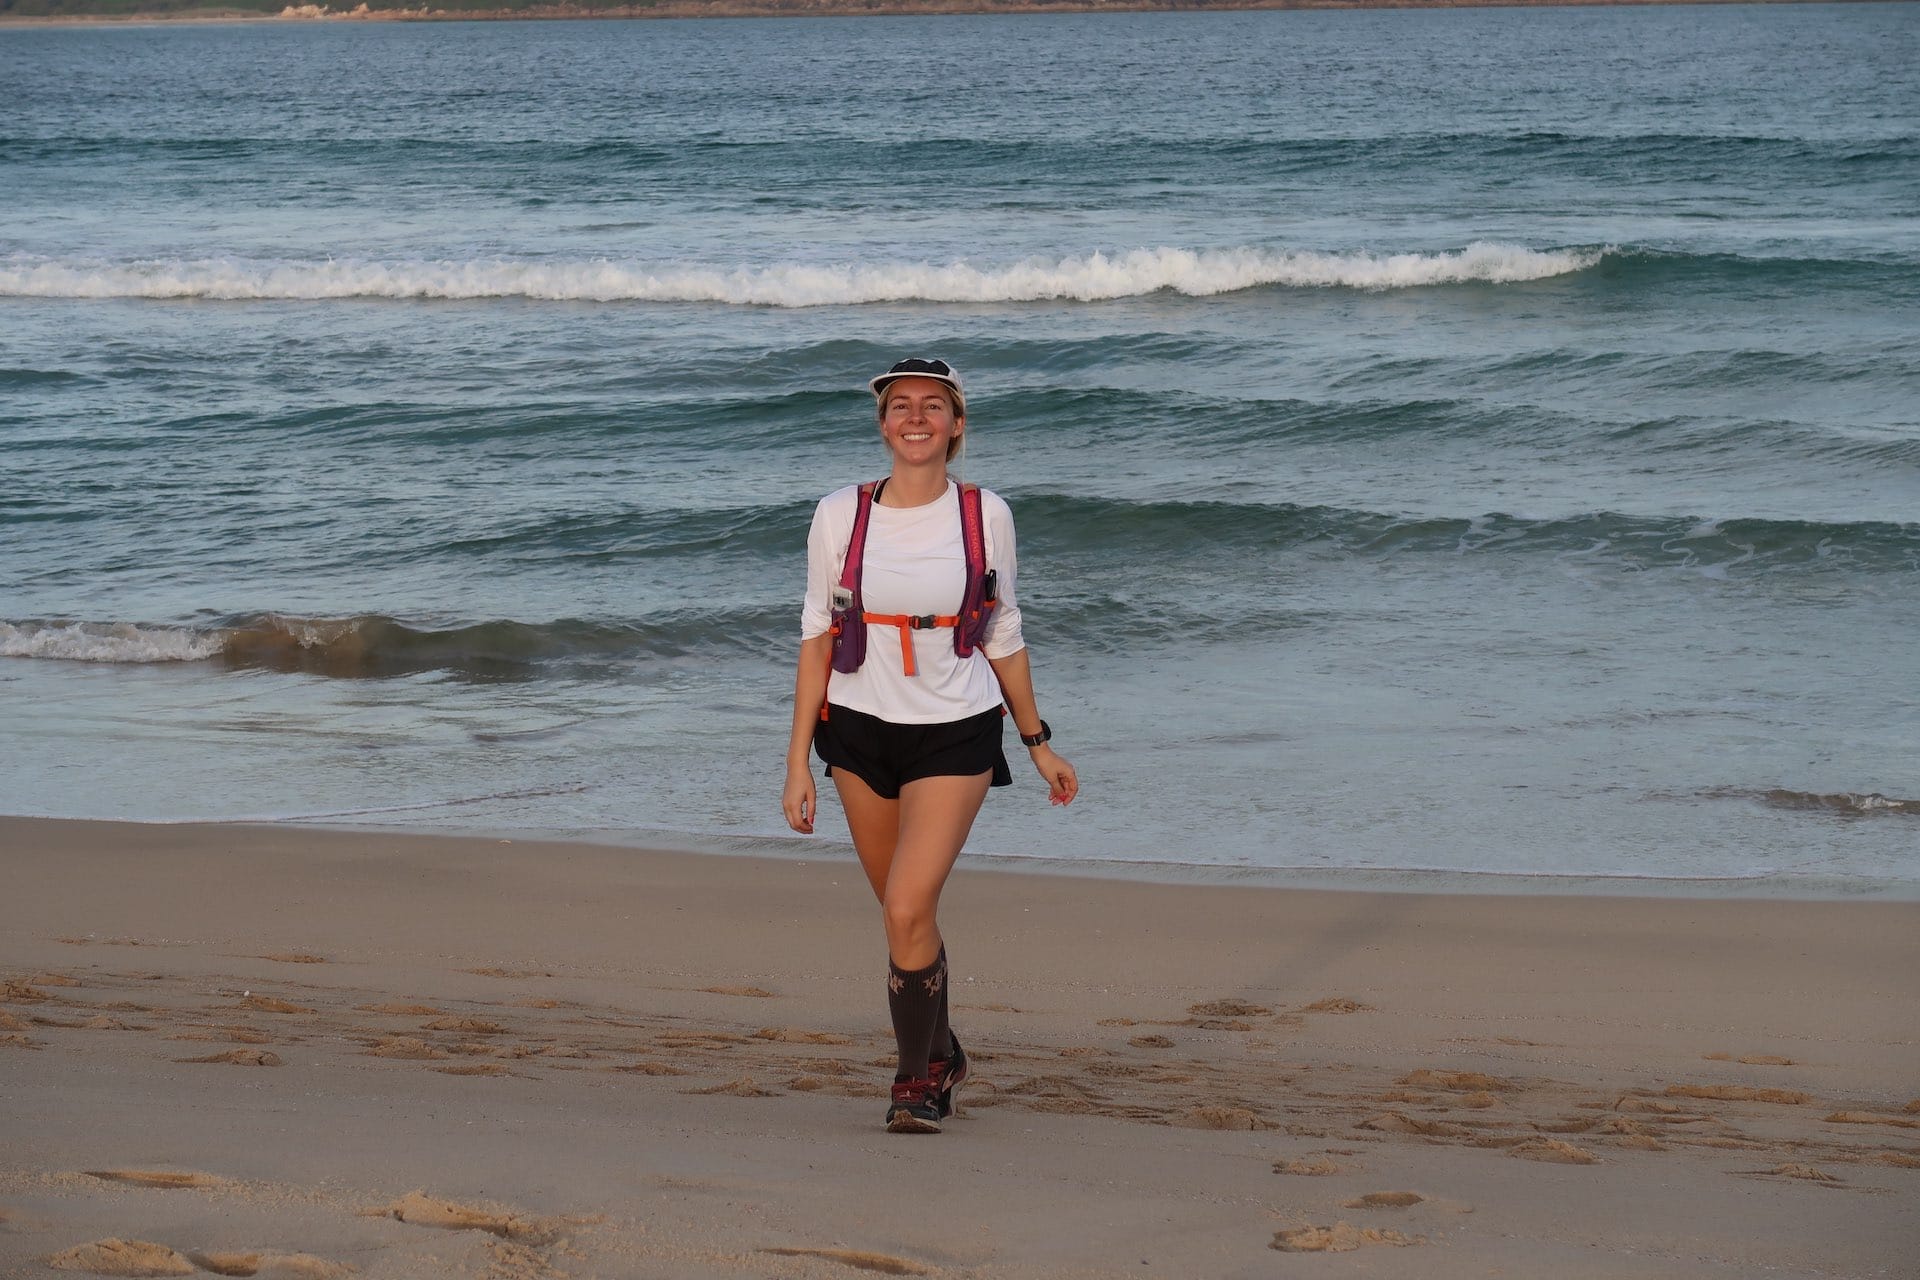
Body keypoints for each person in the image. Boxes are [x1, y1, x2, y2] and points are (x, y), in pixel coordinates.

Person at [782, 357, 1079, 1134]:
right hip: (855, 731)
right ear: (883, 424)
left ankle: (915, 1081)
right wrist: (794, 766)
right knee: (900, 915)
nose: (916, 418)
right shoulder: (839, 513)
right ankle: (944, 1048)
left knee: (910, 906)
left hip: (956, 729)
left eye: (933, 406)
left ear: (956, 425)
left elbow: (1004, 631)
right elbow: (817, 636)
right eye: (901, 406)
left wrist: (1037, 740)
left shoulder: (986, 515)